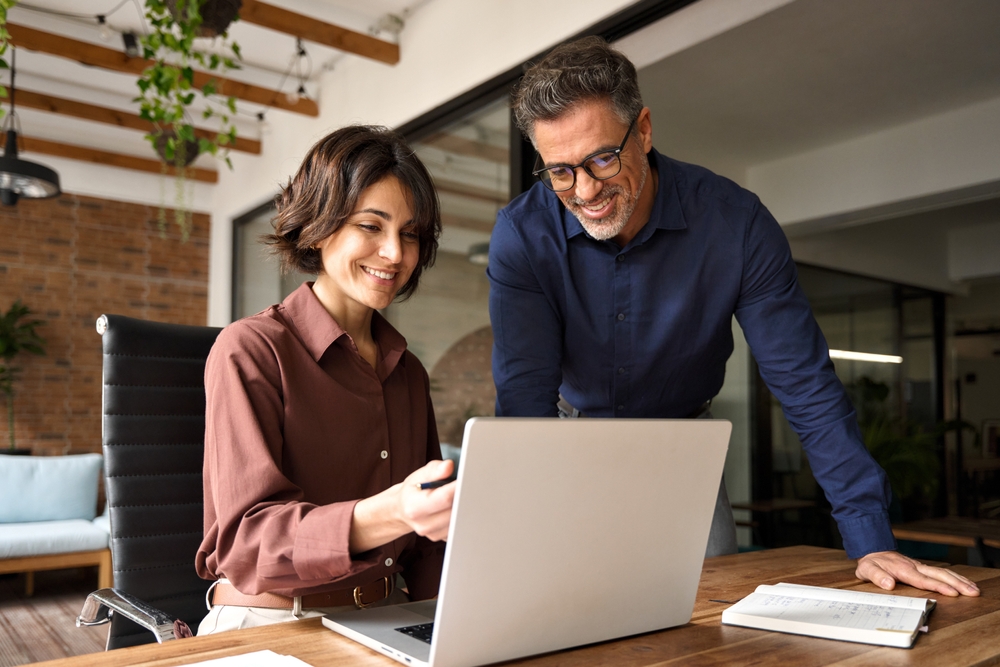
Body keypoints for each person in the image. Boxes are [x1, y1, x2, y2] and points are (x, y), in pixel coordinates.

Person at [487, 36, 978, 597]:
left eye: (602, 157)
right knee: (562, 605)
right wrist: (518, 537)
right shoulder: (523, 235)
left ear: (643, 131)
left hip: (686, 446)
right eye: (560, 171)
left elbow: (804, 383)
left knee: (705, 612)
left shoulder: (735, 223)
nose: (586, 190)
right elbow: (524, 397)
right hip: (567, 441)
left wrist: (871, 540)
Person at [196, 125, 457, 635]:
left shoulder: (408, 373)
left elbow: (426, 551)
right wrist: (392, 512)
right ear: (318, 227)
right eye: (371, 226)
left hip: (390, 617)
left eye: (409, 233)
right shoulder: (251, 349)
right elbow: (250, 542)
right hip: (272, 620)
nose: (395, 254)